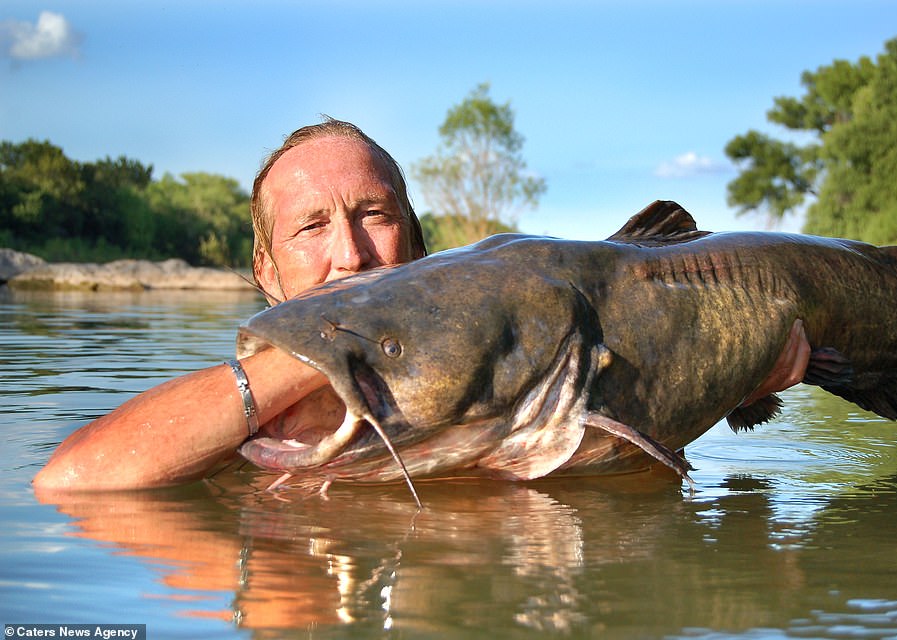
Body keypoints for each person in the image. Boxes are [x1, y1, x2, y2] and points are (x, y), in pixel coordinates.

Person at [33, 118, 809, 492]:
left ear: (419, 245)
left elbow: (651, 494)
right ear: (265, 274)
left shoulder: (511, 359)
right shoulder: (209, 428)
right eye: (311, 226)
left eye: (373, 215)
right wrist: (317, 356)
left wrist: (721, 369)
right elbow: (69, 484)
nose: (349, 253)